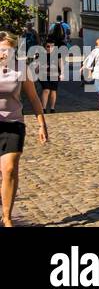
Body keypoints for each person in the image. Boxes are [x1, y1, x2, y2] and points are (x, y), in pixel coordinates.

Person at [0, 31, 49, 227]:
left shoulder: (21, 68)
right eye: (2, 49)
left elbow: (34, 98)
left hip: (13, 124)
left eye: (10, 51)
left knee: (9, 169)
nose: (6, 54)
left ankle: (7, 217)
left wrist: (41, 124)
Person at [38, 36, 62, 112]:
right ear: (45, 47)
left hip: (55, 75)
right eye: (48, 46)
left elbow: (61, 64)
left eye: (52, 46)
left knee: (53, 90)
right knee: (46, 90)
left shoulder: (57, 54)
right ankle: (43, 108)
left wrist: (62, 73)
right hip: (43, 75)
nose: (50, 48)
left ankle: (52, 108)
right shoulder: (41, 54)